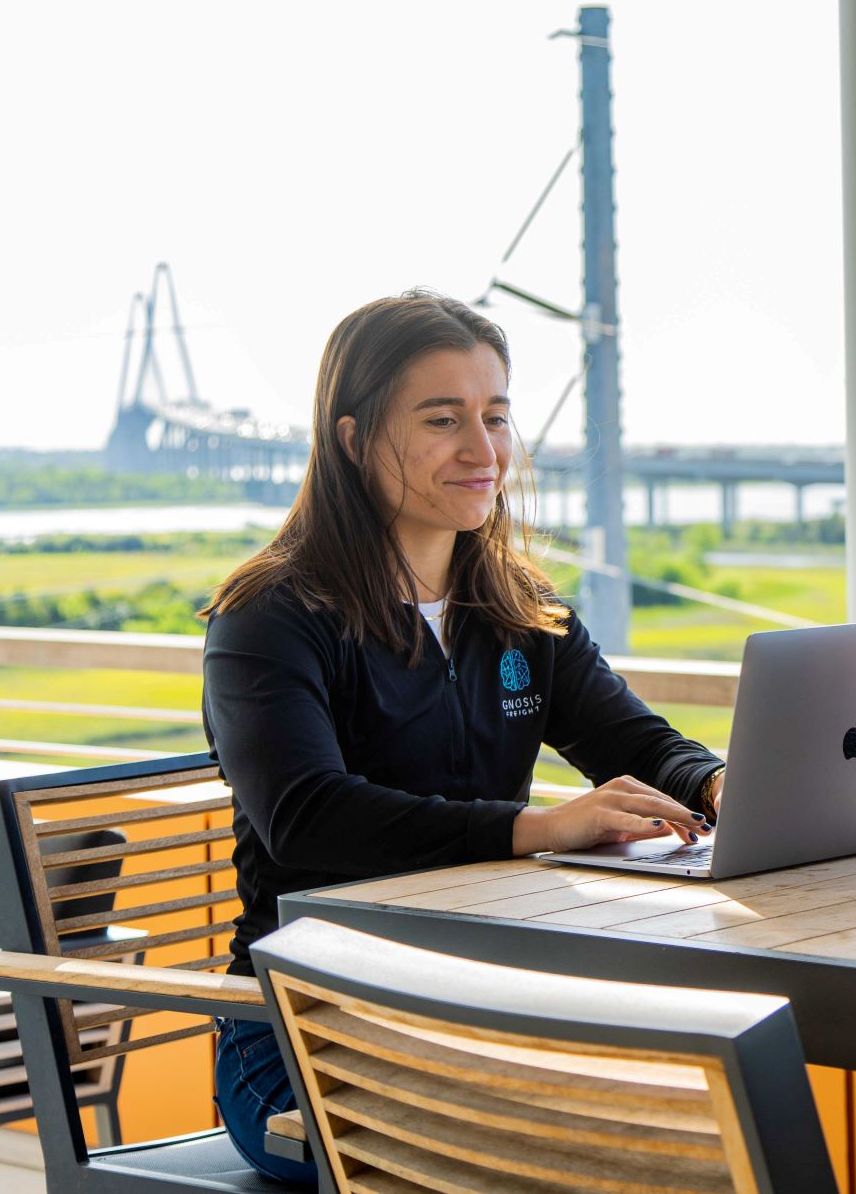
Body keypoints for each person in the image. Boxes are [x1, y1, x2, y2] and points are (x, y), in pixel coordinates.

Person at [199, 291, 726, 1184]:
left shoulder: (520, 609)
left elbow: (635, 743)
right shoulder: (271, 617)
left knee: (708, 1140)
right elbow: (307, 815)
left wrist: (719, 786)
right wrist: (536, 826)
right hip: (299, 1033)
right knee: (587, 1159)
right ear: (354, 439)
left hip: (479, 1007)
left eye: (495, 416)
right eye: (443, 420)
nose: (483, 451)